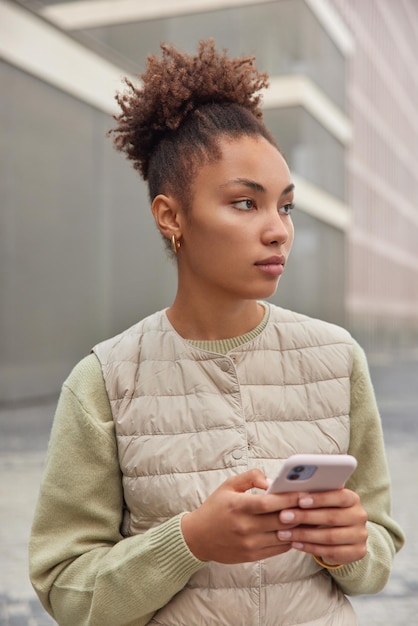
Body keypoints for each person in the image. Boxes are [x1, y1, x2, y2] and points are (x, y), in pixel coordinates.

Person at [29, 40, 404, 626]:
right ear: (171, 216)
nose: (278, 230)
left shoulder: (338, 358)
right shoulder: (104, 380)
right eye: (244, 203)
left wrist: (352, 545)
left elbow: (376, 553)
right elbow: (67, 592)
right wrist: (190, 541)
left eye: (285, 206)